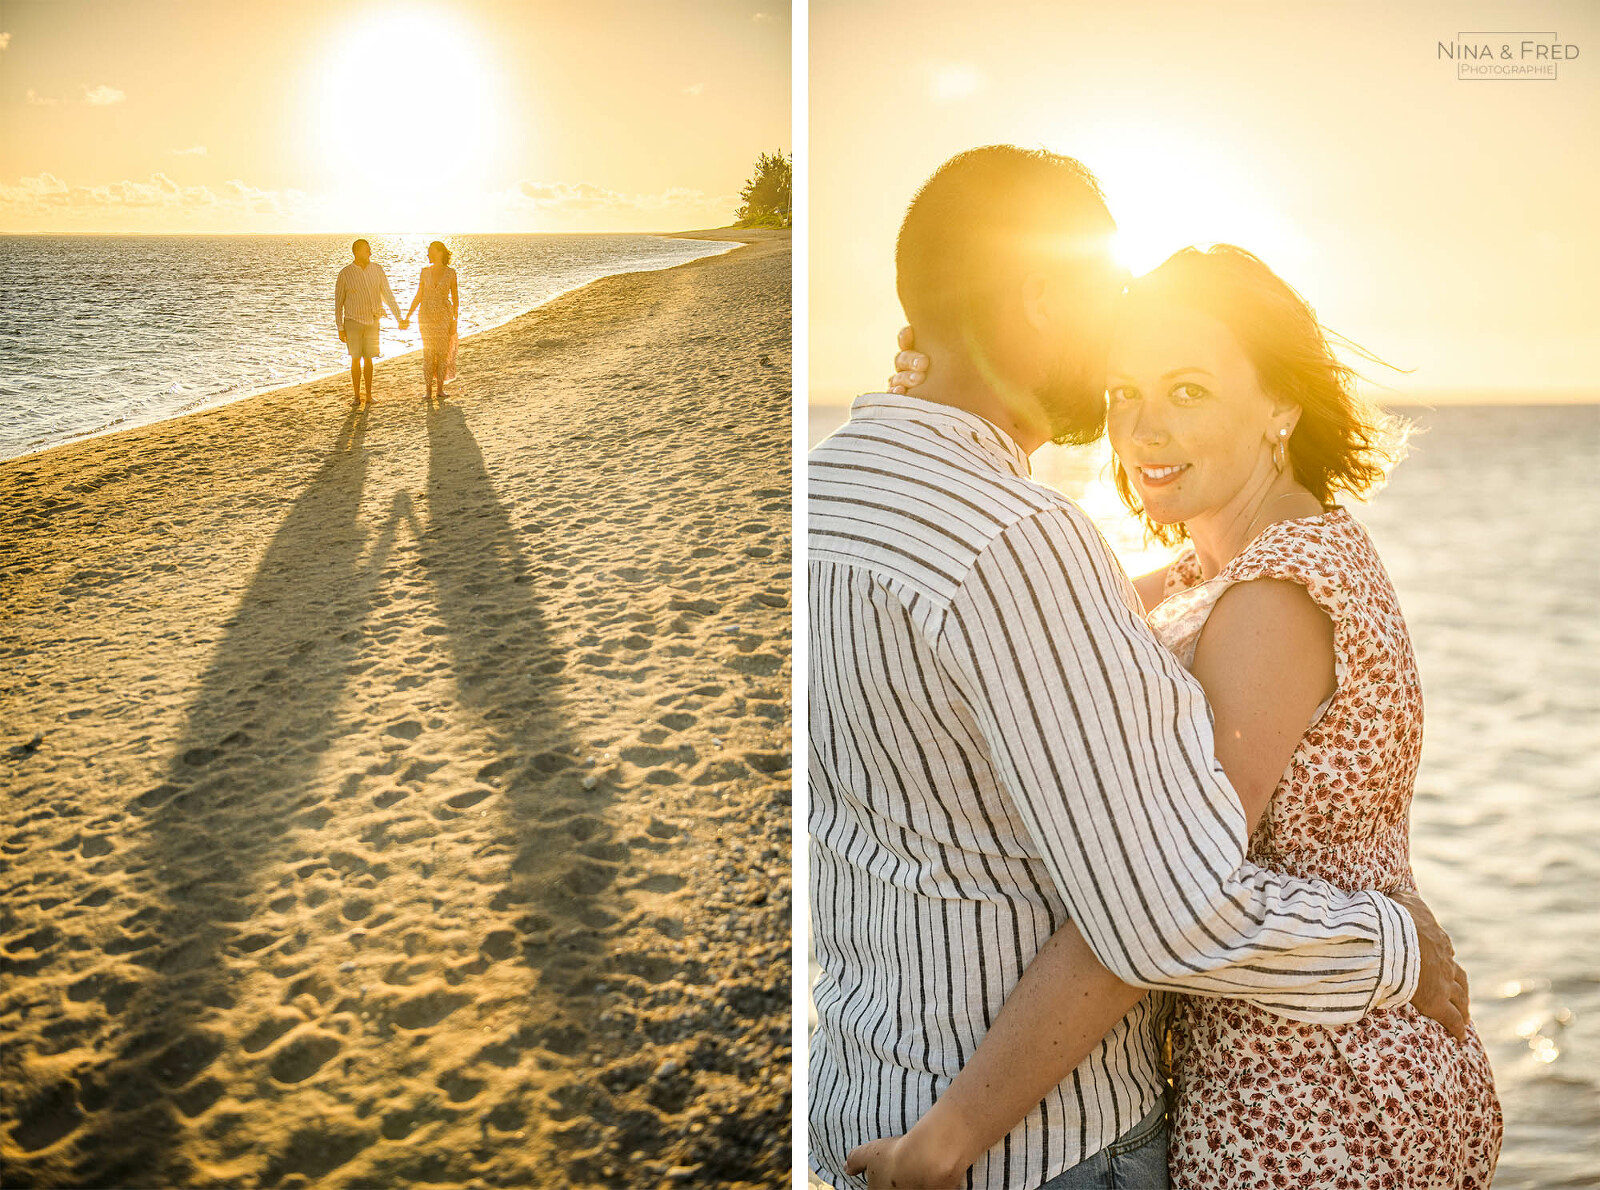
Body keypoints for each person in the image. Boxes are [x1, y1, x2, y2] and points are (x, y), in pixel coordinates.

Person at [807, 145, 1473, 1190]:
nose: (1137, 425)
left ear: (1281, 406)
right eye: (1124, 386)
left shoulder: (1269, 594)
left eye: (1187, 390)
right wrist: (940, 363)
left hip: (1309, 1098)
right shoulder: (1138, 566)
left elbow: (1156, 900)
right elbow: (1160, 889)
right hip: (1195, 1099)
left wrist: (947, 1136)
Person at [334, 238, 407, 406]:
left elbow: (388, 295)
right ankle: (356, 396)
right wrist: (340, 327)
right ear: (357, 252)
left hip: (373, 320)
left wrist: (399, 317)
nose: (370, 253)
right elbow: (338, 303)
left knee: (369, 359)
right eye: (367, 250)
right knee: (355, 359)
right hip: (352, 321)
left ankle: (368, 395)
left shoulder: (377, 270)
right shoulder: (345, 273)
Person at [405, 240, 459, 402]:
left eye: (430, 250)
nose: (428, 253)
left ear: (439, 252)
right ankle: (428, 391)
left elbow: (455, 298)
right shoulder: (424, 272)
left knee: (442, 353)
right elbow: (419, 295)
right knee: (428, 353)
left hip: (444, 316)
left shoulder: (451, 273)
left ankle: (440, 389)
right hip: (425, 316)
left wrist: (455, 320)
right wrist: (408, 316)